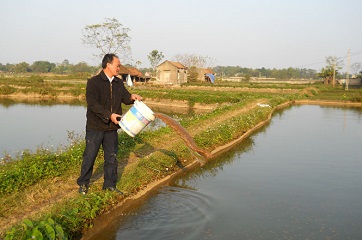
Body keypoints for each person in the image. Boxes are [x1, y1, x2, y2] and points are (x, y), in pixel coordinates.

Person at [77, 53, 142, 195]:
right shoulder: (93, 82)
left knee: (111, 157)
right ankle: (83, 184)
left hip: (112, 127)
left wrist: (132, 97)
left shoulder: (118, 83)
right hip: (96, 126)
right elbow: (93, 105)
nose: (119, 68)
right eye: (117, 65)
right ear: (108, 65)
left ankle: (109, 185)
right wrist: (109, 115)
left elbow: (125, 97)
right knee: (90, 156)